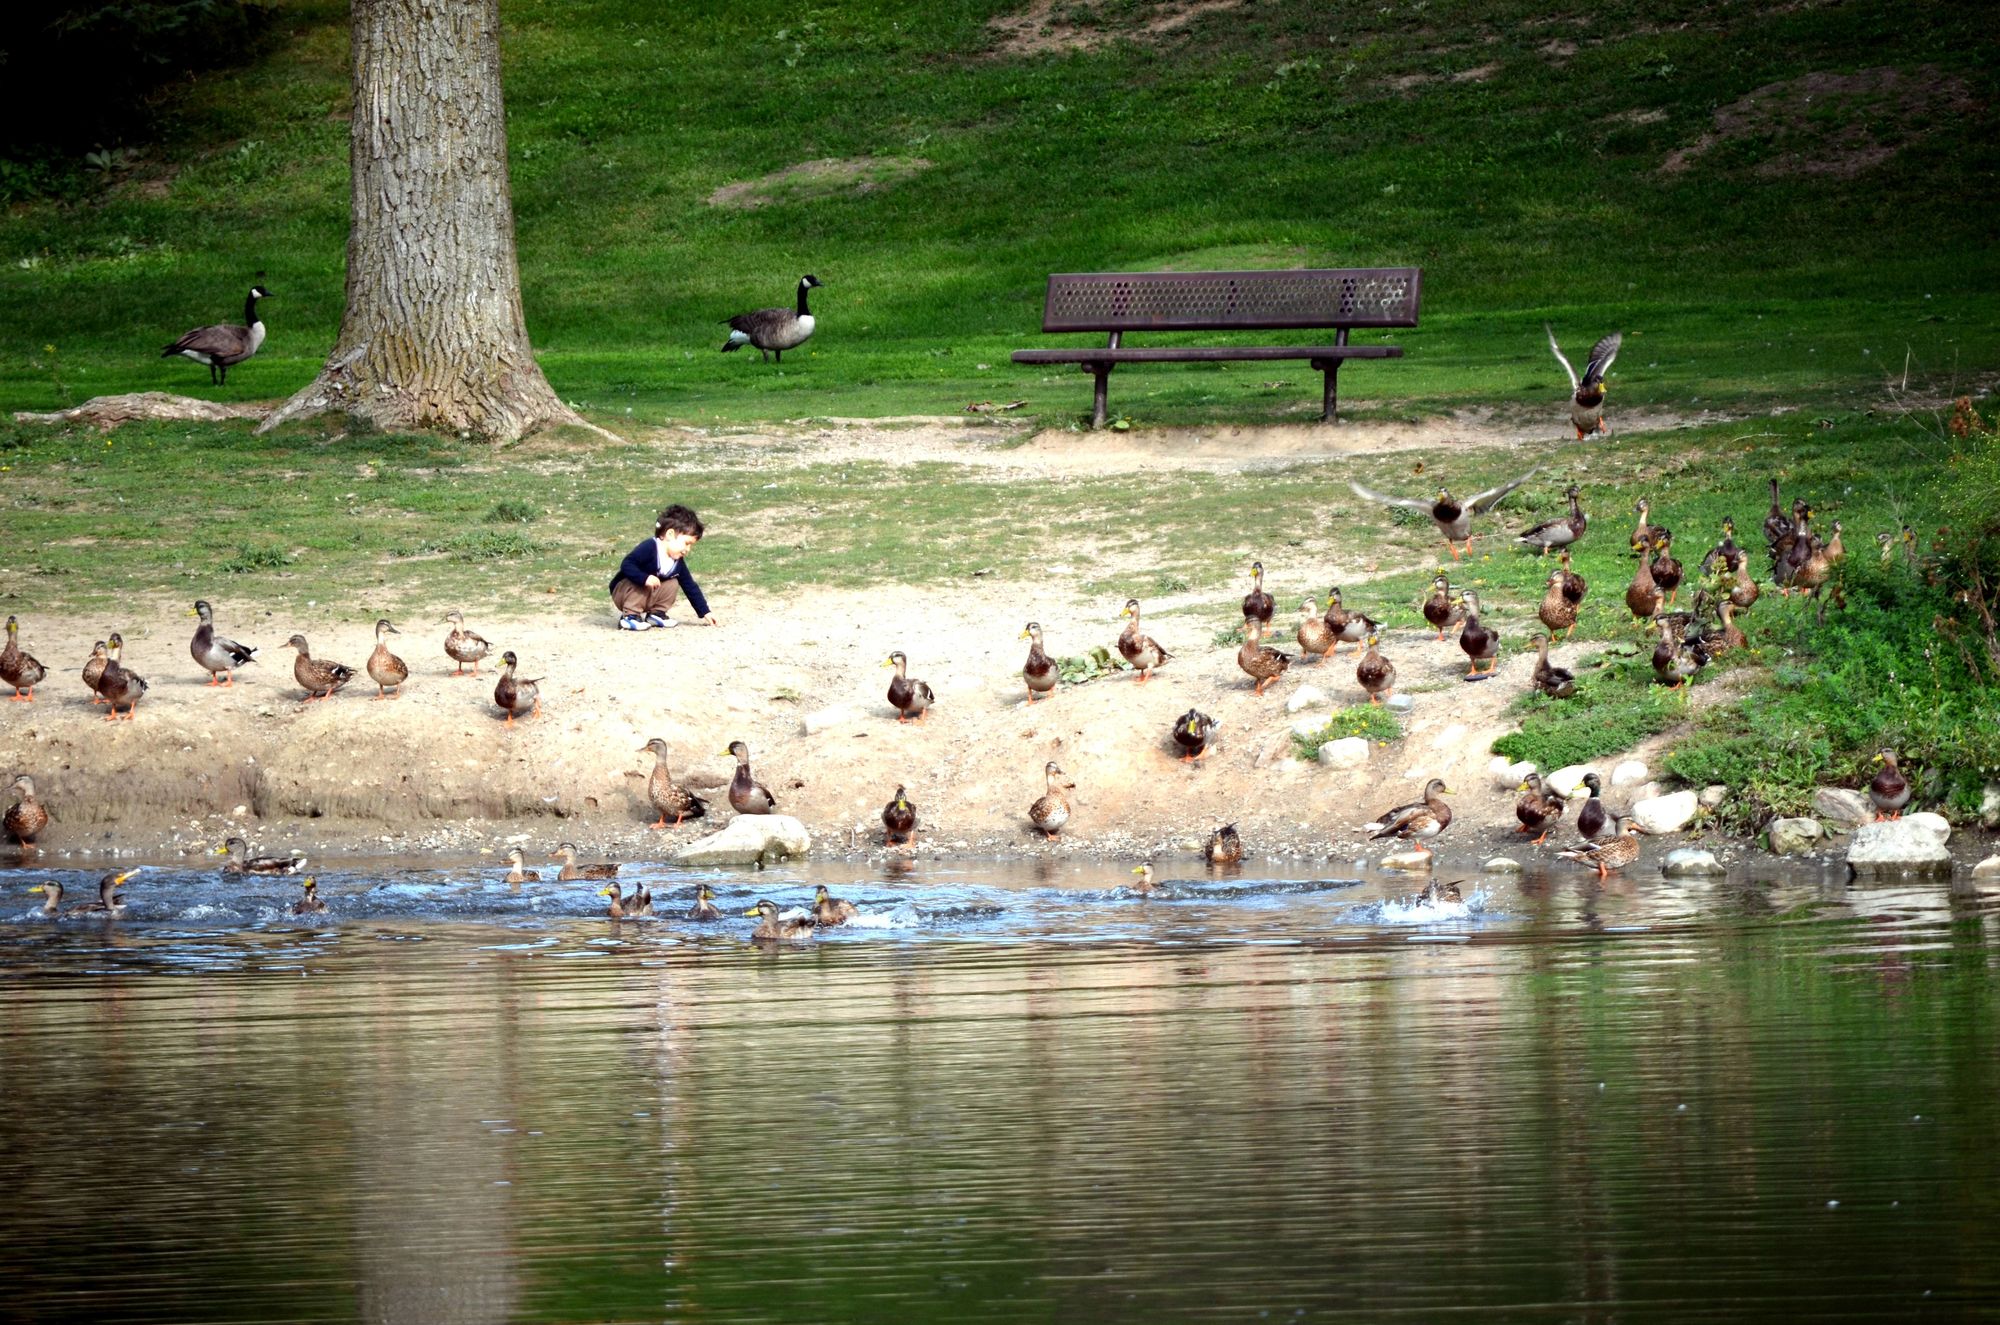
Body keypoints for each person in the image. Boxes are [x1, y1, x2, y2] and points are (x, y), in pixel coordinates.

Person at [609, 504, 720, 630]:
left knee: (673, 582)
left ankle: (656, 614)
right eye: (687, 543)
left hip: (648, 596)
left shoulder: (676, 561)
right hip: (624, 592)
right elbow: (627, 564)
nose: (688, 549)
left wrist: (705, 612)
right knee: (643, 581)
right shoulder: (650, 547)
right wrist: (644, 578)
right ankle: (630, 616)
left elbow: (689, 585)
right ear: (670, 534)